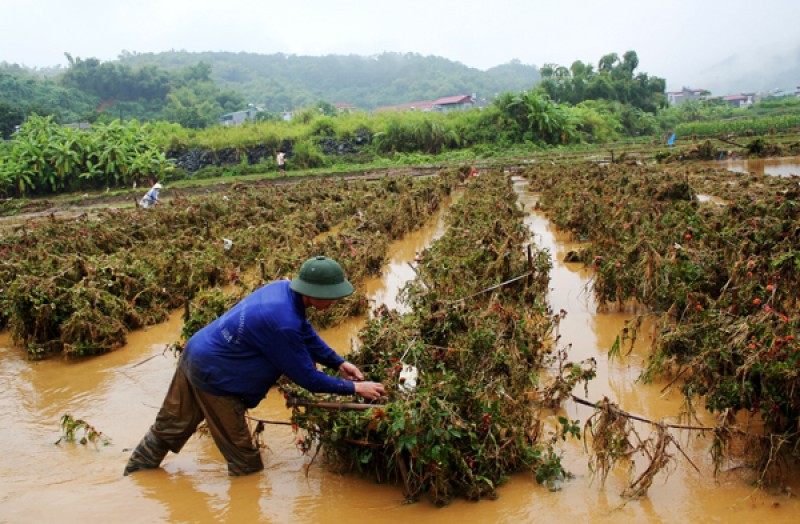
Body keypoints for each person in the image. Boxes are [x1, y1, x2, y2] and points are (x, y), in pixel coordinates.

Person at [124, 255, 385, 477]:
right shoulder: (282, 322)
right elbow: (309, 379)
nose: (334, 302)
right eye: (331, 296)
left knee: (168, 428)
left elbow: (305, 332)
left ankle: (135, 479)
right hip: (217, 378)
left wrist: (339, 362)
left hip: (197, 352)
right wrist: (355, 387)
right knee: (245, 463)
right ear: (314, 292)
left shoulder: (282, 290)